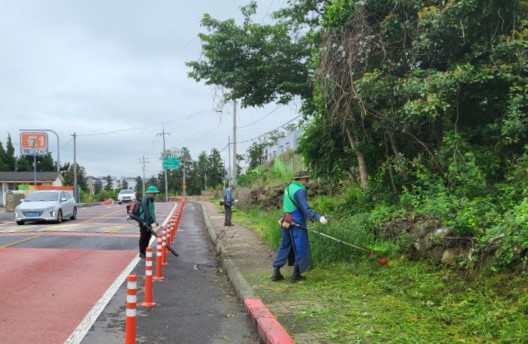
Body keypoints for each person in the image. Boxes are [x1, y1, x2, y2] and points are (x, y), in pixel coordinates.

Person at [271, 171, 328, 282]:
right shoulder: (299, 190)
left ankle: (276, 273)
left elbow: (293, 205)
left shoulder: (289, 188)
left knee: (285, 245)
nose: (307, 182)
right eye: (306, 179)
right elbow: (304, 208)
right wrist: (318, 217)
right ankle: (296, 275)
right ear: (301, 179)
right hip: (296, 220)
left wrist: (307, 216)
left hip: (286, 220)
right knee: (300, 247)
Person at [138, 185, 160, 258]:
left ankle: (146, 250)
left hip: (150, 222)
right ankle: (142, 252)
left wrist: (153, 222)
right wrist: (151, 221)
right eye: (152, 193)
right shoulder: (145, 200)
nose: (154, 195)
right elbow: (146, 211)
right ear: (149, 193)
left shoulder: (151, 201)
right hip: (144, 222)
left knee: (148, 237)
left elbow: (152, 212)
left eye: (154, 193)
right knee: (144, 237)